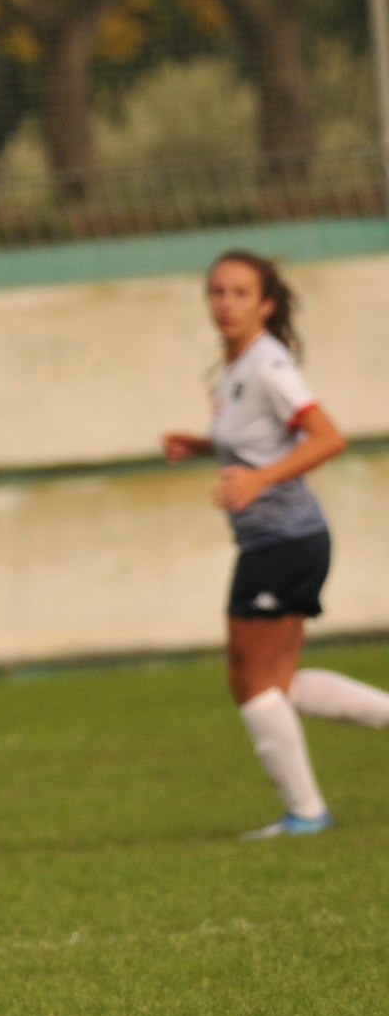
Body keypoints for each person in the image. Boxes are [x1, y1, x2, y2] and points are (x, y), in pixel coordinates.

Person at [161, 249, 384, 838]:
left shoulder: (268, 365)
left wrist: (258, 480)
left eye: (240, 293)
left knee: (251, 681)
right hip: (280, 542)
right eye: (217, 291)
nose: (225, 304)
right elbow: (261, 440)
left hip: (283, 541)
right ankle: (306, 810)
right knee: (275, 683)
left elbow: (328, 437)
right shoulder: (238, 367)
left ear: (266, 303)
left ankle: (306, 813)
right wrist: (206, 446)